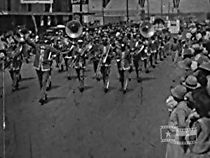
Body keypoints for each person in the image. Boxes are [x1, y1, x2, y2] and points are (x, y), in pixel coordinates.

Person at [26, 37, 61, 105]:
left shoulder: (49, 47)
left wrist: (51, 57)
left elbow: (58, 52)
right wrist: (25, 37)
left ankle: (42, 98)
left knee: (44, 81)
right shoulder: (37, 46)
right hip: (38, 66)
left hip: (46, 67)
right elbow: (30, 42)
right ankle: (44, 95)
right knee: (40, 82)